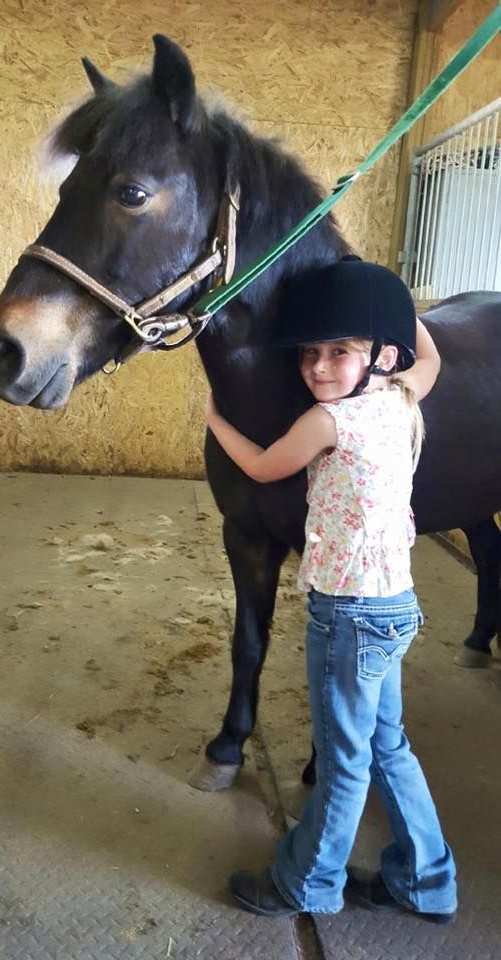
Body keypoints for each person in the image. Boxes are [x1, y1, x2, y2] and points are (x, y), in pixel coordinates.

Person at [206, 257, 457, 923]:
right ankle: (427, 882)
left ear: (379, 354)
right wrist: (401, 316)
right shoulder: (404, 397)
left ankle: (305, 884)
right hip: (394, 608)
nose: (318, 367)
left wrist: (215, 417)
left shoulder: (330, 422)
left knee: (346, 764)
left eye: (339, 351)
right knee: (386, 747)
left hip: (346, 616)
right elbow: (425, 359)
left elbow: (263, 466)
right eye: (311, 353)